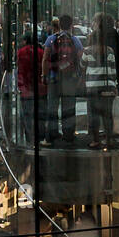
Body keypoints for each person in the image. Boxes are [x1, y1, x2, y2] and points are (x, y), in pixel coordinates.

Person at [42, 14, 82, 145]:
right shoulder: (75, 40)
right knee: (69, 106)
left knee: (52, 106)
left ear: (59, 25)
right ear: (71, 25)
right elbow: (81, 59)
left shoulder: (51, 39)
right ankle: (68, 134)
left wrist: (44, 75)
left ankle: (52, 134)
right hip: (70, 79)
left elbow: (45, 59)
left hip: (54, 78)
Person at [82, 14, 118, 150]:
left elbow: (82, 65)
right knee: (108, 115)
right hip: (108, 87)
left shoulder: (87, 51)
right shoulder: (110, 50)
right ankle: (109, 140)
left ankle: (95, 140)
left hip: (93, 87)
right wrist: (115, 85)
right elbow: (113, 71)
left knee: (93, 115)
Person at [17, 32, 46, 145]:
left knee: (27, 115)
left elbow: (20, 71)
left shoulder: (21, 52)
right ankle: (40, 135)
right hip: (40, 88)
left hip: (26, 90)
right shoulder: (40, 52)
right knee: (40, 113)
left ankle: (30, 136)